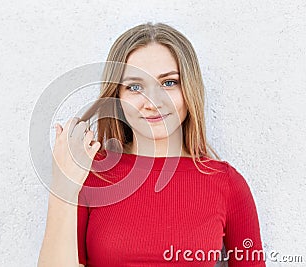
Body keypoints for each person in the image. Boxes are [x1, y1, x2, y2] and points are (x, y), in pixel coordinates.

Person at [38, 22, 265, 267]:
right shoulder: (91, 175)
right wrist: (63, 187)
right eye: (135, 87)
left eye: (169, 83)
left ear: (190, 89)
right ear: (117, 97)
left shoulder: (227, 184)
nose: (153, 102)